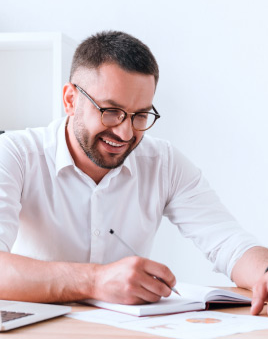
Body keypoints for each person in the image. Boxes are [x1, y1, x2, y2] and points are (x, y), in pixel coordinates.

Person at [0, 30, 267, 314]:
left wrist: (263, 273)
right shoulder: (15, 154)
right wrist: (94, 281)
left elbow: (229, 243)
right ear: (70, 100)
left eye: (140, 115)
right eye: (111, 111)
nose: (125, 133)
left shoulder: (163, 162)